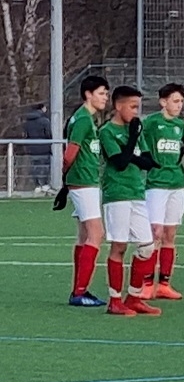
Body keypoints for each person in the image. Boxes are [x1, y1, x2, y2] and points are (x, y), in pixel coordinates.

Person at [98, 85, 160, 317]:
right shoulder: (107, 132)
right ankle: (114, 301)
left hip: (136, 192)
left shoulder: (135, 129)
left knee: (147, 246)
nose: (136, 112)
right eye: (133, 107)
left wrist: (135, 151)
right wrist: (132, 139)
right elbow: (120, 162)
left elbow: (146, 161)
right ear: (118, 106)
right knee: (119, 246)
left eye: (138, 107)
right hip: (117, 194)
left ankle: (134, 298)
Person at [53, 75, 109, 308]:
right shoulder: (84, 119)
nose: (105, 97)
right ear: (88, 94)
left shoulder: (85, 118)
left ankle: (79, 289)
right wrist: (66, 181)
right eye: (101, 93)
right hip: (84, 182)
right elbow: (70, 154)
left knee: (84, 236)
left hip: (84, 181)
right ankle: (79, 291)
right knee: (97, 234)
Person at [141, 83, 184, 301]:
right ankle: (146, 283)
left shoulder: (179, 124)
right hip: (156, 184)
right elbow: (138, 139)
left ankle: (164, 284)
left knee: (170, 234)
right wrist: (147, 160)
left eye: (182, 101)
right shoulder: (151, 122)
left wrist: (181, 152)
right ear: (163, 102)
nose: (179, 105)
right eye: (175, 101)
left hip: (177, 183)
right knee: (154, 233)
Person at [24, 103, 53, 193]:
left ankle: (37, 185)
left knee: (35, 166)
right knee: (45, 166)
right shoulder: (45, 121)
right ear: (42, 108)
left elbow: (26, 135)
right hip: (44, 148)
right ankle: (45, 184)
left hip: (32, 148)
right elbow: (48, 134)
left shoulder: (28, 122)